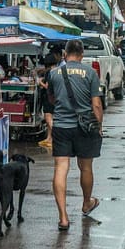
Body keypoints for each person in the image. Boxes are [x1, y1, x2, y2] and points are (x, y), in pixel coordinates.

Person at [46, 39, 103, 231]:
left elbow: (52, 99)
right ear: (82, 54)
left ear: (65, 53)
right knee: (85, 167)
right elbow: (96, 104)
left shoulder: (53, 73)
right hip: (85, 126)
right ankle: (87, 202)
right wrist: (99, 125)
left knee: (61, 168)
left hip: (61, 126)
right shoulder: (90, 73)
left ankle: (63, 217)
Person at [35, 51, 60, 149]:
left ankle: (56, 137)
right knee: (51, 117)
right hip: (55, 97)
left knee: (48, 118)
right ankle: (49, 138)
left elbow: (48, 86)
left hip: (49, 97)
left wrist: (40, 82)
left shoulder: (50, 72)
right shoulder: (58, 70)